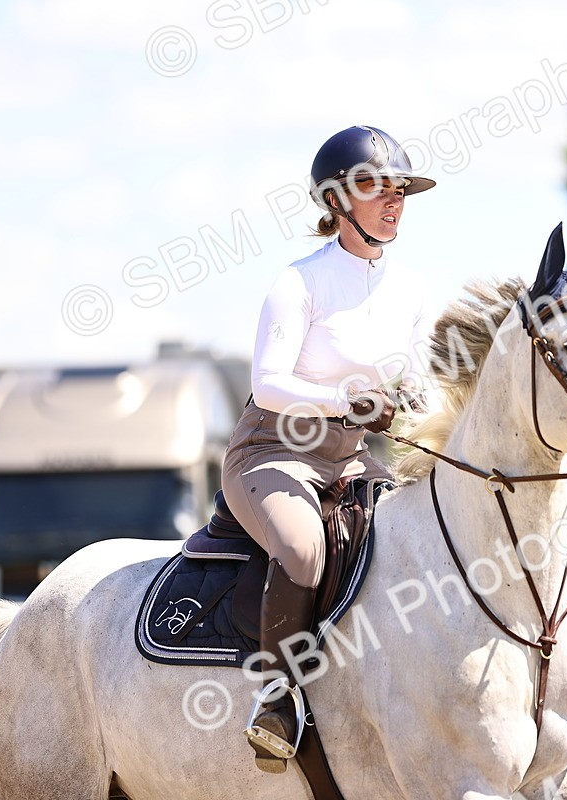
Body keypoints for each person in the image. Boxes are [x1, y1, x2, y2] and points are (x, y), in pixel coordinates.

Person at [223, 125, 435, 773]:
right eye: (376, 187)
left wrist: (414, 402)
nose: (394, 200)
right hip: (271, 451)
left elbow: (421, 381)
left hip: (350, 459)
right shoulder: (299, 282)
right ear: (337, 201)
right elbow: (268, 382)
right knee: (302, 548)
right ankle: (277, 700)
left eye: (400, 190)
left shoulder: (413, 289)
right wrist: (345, 400)